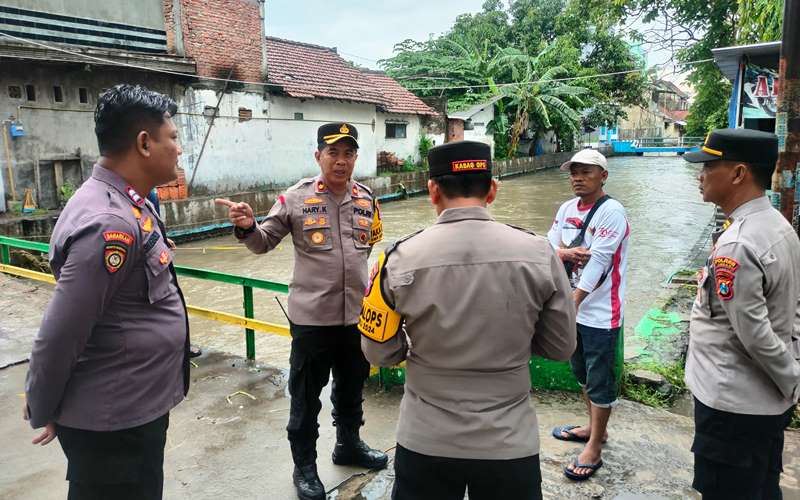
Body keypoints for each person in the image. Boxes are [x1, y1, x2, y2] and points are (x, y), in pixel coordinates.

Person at [360, 140, 577, 500]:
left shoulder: (397, 259)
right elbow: (560, 347)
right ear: (492, 190)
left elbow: (378, 353)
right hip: (509, 441)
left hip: (425, 439)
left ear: (432, 190)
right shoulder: (539, 253)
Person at [24, 84, 190, 500]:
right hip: (115, 424)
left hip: (133, 408)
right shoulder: (109, 224)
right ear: (144, 143)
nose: (179, 149)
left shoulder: (131, 201)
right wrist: (45, 404)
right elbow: (62, 332)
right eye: (173, 138)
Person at [216, 123, 387, 500]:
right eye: (333, 153)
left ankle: (348, 445)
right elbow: (263, 243)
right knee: (307, 399)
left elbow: (369, 249)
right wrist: (247, 227)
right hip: (313, 321)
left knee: (352, 389)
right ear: (318, 156)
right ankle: (305, 467)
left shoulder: (366, 198)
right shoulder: (296, 198)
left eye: (348, 153)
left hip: (356, 319)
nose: (341, 161)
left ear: (355, 158)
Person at [683, 128, 800, 499]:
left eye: (708, 166)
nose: (700, 175)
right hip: (763, 402)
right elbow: (792, 308)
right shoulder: (778, 226)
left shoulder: (737, 244)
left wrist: (793, 381)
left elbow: (755, 335)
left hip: (733, 405)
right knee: (762, 487)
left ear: (738, 174)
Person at [548, 148, 630, 481]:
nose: (578, 178)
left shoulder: (612, 212)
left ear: (603, 176)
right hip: (574, 310)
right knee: (581, 372)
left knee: (600, 380)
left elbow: (600, 260)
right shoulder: (566, 209)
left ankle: (595, 446)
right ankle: (595, 429)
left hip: (601, 313)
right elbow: (548, 246)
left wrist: (575, 300)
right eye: (574, 172)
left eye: (586, 172)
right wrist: (566, 253)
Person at [146, 188, 202, 358]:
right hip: (148, 266)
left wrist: (162, 238)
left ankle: (180, 344)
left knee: (172, 299)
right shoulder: (137, 196)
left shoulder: (150, 195)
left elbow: (152, 225)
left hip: (160, 260)